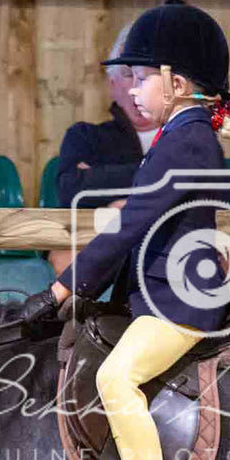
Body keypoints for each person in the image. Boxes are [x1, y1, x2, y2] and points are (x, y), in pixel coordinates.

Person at [21, 0, 230, 460]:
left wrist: (61, 289)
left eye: (143, 78)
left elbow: (127, 227)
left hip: (178, 303)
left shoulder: (187, 141)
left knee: (115, 380)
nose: (134, 90)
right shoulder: (180, 136)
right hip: (159, 292)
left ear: (178, 82)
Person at [48, 25, 161, 274]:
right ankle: (78, 315)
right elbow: (72, 189)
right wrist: (158, 176)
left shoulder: (187, 135)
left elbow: (202, 189)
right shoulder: (85, 136)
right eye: (127, 73)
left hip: (170, 238)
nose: (136, 84)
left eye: (146, 74)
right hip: (95, 236)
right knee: (66, 256)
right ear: (113, 83)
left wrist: (103, 181)